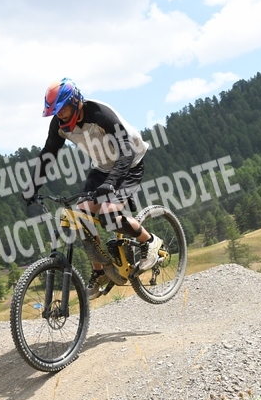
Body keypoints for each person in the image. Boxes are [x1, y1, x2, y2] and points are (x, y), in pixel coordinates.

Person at [25, 77, 162, 299]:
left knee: (109, 215)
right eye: (55, 112)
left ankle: (150, 242)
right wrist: (32, 186)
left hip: (129, 162)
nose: (60, 115)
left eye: (63, 109)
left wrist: (111, 183)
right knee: (81, 216)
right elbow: (48, 155)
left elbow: (127, 151)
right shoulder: (59, 125)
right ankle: (100, 274)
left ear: (75, 101)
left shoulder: (100, 115)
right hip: (102, 167)